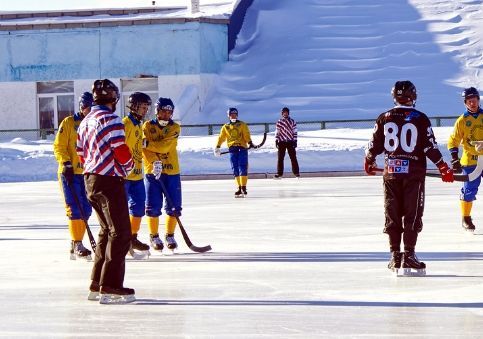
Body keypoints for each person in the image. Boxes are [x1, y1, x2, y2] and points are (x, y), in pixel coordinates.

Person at [364, 80, 454, 276]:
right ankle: (409, 255)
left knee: (392, 214)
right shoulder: (420, 118)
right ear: (413, 96)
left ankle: (395, 255)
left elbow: (373, 146)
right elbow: (429, 147)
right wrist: (443, 167)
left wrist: (369, 160)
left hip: (391, 175)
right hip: (413, 175)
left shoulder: (384, 117)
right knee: (411, 215)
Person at [76, 79, 135, 304]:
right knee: (120, 233)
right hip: (109, 180)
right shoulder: (111, 119)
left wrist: (92, 166)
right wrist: (128, 168)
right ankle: (110, 286)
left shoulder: (86, 120)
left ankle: (96, 282)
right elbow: (120, 149)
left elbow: (80, 152)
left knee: (105, 231)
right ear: (114, 99)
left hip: (90, 180)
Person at [53, 92, 94, 260]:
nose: (90, 111)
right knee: (74, 208)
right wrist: (66, 163)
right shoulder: (69, 123)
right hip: (69, 173)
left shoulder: (94, 124)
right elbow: (59, 146)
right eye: (88, 108)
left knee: (86, 209)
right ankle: (77, 243)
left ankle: (76, 241)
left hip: (87, 173)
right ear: (82, 107)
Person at [142, 97, 182, 252]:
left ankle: (170, 235)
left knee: (174, 206)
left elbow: (165, 146)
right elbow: (143, 149)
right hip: (152, 172)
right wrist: (154, 163)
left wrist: (149, 144)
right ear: (157, 111)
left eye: (169, 112)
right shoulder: (147, 126)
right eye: (163, 111)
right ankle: (154, 236)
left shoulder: (175, 128)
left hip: (171, 171)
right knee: (152, 206)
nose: (166, 115)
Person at [447, 87, 483, 232]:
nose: (472, 103)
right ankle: (466, 218)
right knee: (469, 190)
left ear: (478, 100)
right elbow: (453, 141)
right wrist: (455, 159)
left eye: (474, 100)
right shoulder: (462, 120)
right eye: (469, 101)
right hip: (470, 162)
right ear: (465, 103)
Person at [122, 92, 152, 257]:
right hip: (125, 175)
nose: (145, 110)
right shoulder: (125, 123)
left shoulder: (139, 124)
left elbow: (136, 144)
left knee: (139, 208)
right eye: (142, 107)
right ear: (133, 106)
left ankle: (132, 237)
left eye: (147, 107)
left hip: (138, 175)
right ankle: (122, 239)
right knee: (120, 210)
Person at [214, 107, 257, 197]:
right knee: (235, 168)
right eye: (231, 114)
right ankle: (239, 188)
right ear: (228, 116)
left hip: (242, 148)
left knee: (243, 166)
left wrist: (250, 143)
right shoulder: (225, 126)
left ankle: (244, 187)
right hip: (232, 149)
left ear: (237, 115)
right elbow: (221, 137)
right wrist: (217, 147)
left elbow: (246, 134)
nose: (233, 116)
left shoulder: (242, 124)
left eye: (235, 114)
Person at [274, 106, 300, 178]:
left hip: (290, 141)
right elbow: (277, 131)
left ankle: (296, 173)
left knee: (293, 157)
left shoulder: (292, 121)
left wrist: (295, 140)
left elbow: (295, 131)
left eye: (286, 113)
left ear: (288, 113)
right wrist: (276, 140)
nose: (285, 114)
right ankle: (279, 173)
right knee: (280, 158)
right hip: (282, 141)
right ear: (282, 113)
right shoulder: (279, 122)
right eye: (284, 113)